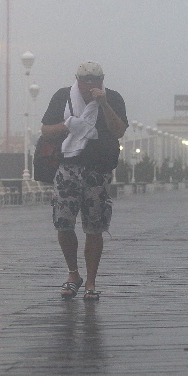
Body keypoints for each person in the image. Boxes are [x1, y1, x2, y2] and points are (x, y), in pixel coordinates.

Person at [41, 61, 128, 301]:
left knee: (94, 226)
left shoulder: (113, 98)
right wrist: (68, 125)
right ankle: (73, 274)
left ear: (102, 80)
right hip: (68, 167)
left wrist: (104, 104)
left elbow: (118, 130)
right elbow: (46, 130)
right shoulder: (62, 97)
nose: (90, 85)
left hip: (97, 170)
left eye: (95, 80)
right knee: (64, 223)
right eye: (85, 81)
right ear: (77, 80)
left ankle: (90, 281)